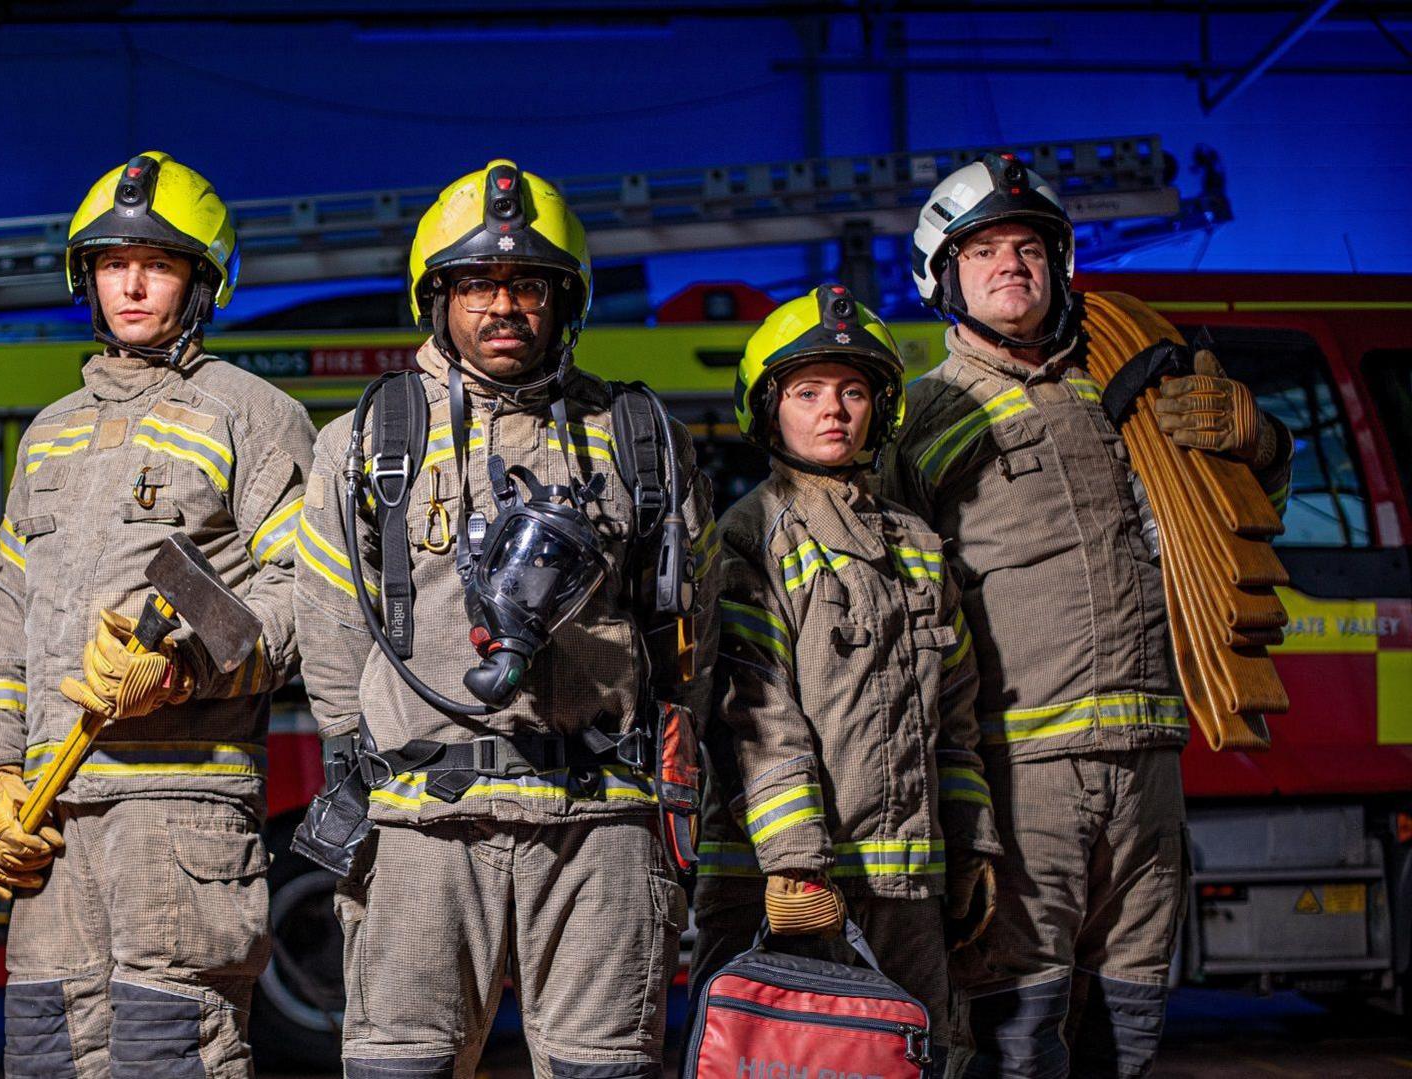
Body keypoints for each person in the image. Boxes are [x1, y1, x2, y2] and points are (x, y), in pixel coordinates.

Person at [293, 159, 715, 1079]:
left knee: (607, 1066)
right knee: (404, 1065)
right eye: (476, 283)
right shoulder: (369, 438)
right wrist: (368, 753)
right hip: (419, 829)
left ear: (566, 301)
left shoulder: (641, 436)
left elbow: (691, 630)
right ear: (436, 300)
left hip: (600, 823)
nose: (503, 305)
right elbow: (328, 627)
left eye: (528, 283)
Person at [890, 153, 1295, 1077]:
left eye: (1028, 245)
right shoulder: (922, 418)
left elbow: (1227, 515)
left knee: (1132, 1028)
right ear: (942, 277)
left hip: (1151, 762)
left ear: (1060, 263)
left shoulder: (1135, 394)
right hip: (1023, 773)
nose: (1011, 265)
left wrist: (1261, 439)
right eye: (984, 250)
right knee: (1018, 1038)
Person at [0, 151, 314, 1079]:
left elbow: (307, 595)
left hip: (179, 813)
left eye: (158, 264)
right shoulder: (51, 432)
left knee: (169, 1056)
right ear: (88, 278)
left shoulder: (253, 416)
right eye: (113, 264)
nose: (133, 284)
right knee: (45, 1054)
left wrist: (187, 664)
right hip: (51, 814)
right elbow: (1, 621)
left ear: (203, 280)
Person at [690, 285, 998, 1063]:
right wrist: (793, 859)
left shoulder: (920, 547)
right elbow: (751, 708)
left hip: (909, 892)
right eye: (808, 391)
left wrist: (971, 846)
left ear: (881, 410)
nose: (834, 409)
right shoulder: (750, 536)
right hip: (786, 889)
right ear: (769, 411)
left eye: (854, 390)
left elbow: (954, 721)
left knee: (916, 1059)